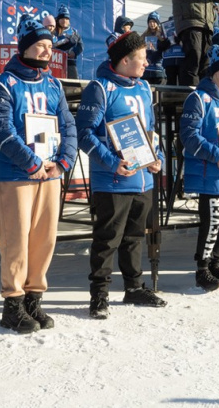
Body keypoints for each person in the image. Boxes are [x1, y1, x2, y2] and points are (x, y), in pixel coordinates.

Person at [0, 17, 77, 333]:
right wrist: (32, 163)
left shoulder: (53, 84)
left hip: (50, 175)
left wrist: (62, 162)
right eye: (40, 45)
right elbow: (3, 132)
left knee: (44, 240)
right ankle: (12, 304)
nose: (46, 51)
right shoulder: (4, 83)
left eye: (50, 46)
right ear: (24, 46)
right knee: (16, 241)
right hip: (17, 176)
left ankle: (33, 300)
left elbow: (68, 126)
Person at [77, 31, 167, 318]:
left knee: (135, 237)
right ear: (125, 59)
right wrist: (110, 162)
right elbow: (83, 133)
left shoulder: (143, 88)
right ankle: (99, 295)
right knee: (107, 239)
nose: (146, 64)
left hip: (143, 179)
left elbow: (151, 132)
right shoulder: (100, 88)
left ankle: (134, 287)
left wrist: (158, 159)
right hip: (113, 180)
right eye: (141, 59)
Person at [180, 46, 219, 291]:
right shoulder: (198, 98)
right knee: (212, 222)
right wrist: (216, 155)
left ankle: (216, 262)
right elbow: (189, 135)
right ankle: (202, 268)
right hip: (210, 174)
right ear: (215, 71)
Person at [52, 5, 83, 79]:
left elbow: (80, 45)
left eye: (66, 18)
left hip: (70, 62)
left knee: (73, 85)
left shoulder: (74, 32)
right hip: (55, 63)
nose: (64, 20)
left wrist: (74, 52)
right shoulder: (53, 31)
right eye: (62, 18)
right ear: (58, 19)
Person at [140, 11, 170, 85]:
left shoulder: (162, 34)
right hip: (147, 71)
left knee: (159, 93)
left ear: (157, 23)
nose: (152, 24)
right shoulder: (144, 35)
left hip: (158, 70)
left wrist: (161, 39)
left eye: (154, 22)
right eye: (150, 22)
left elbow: (163, 49)